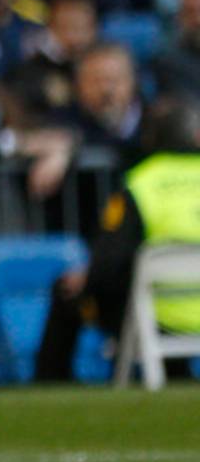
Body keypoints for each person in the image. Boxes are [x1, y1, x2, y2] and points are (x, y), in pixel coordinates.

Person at [35, 100, 200, 381]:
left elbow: (109, 260)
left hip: (157, 314)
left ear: (148, 138)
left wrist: (86, 279)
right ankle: (175, 373)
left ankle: (51, 382)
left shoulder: (141, 183)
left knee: (69, 290)